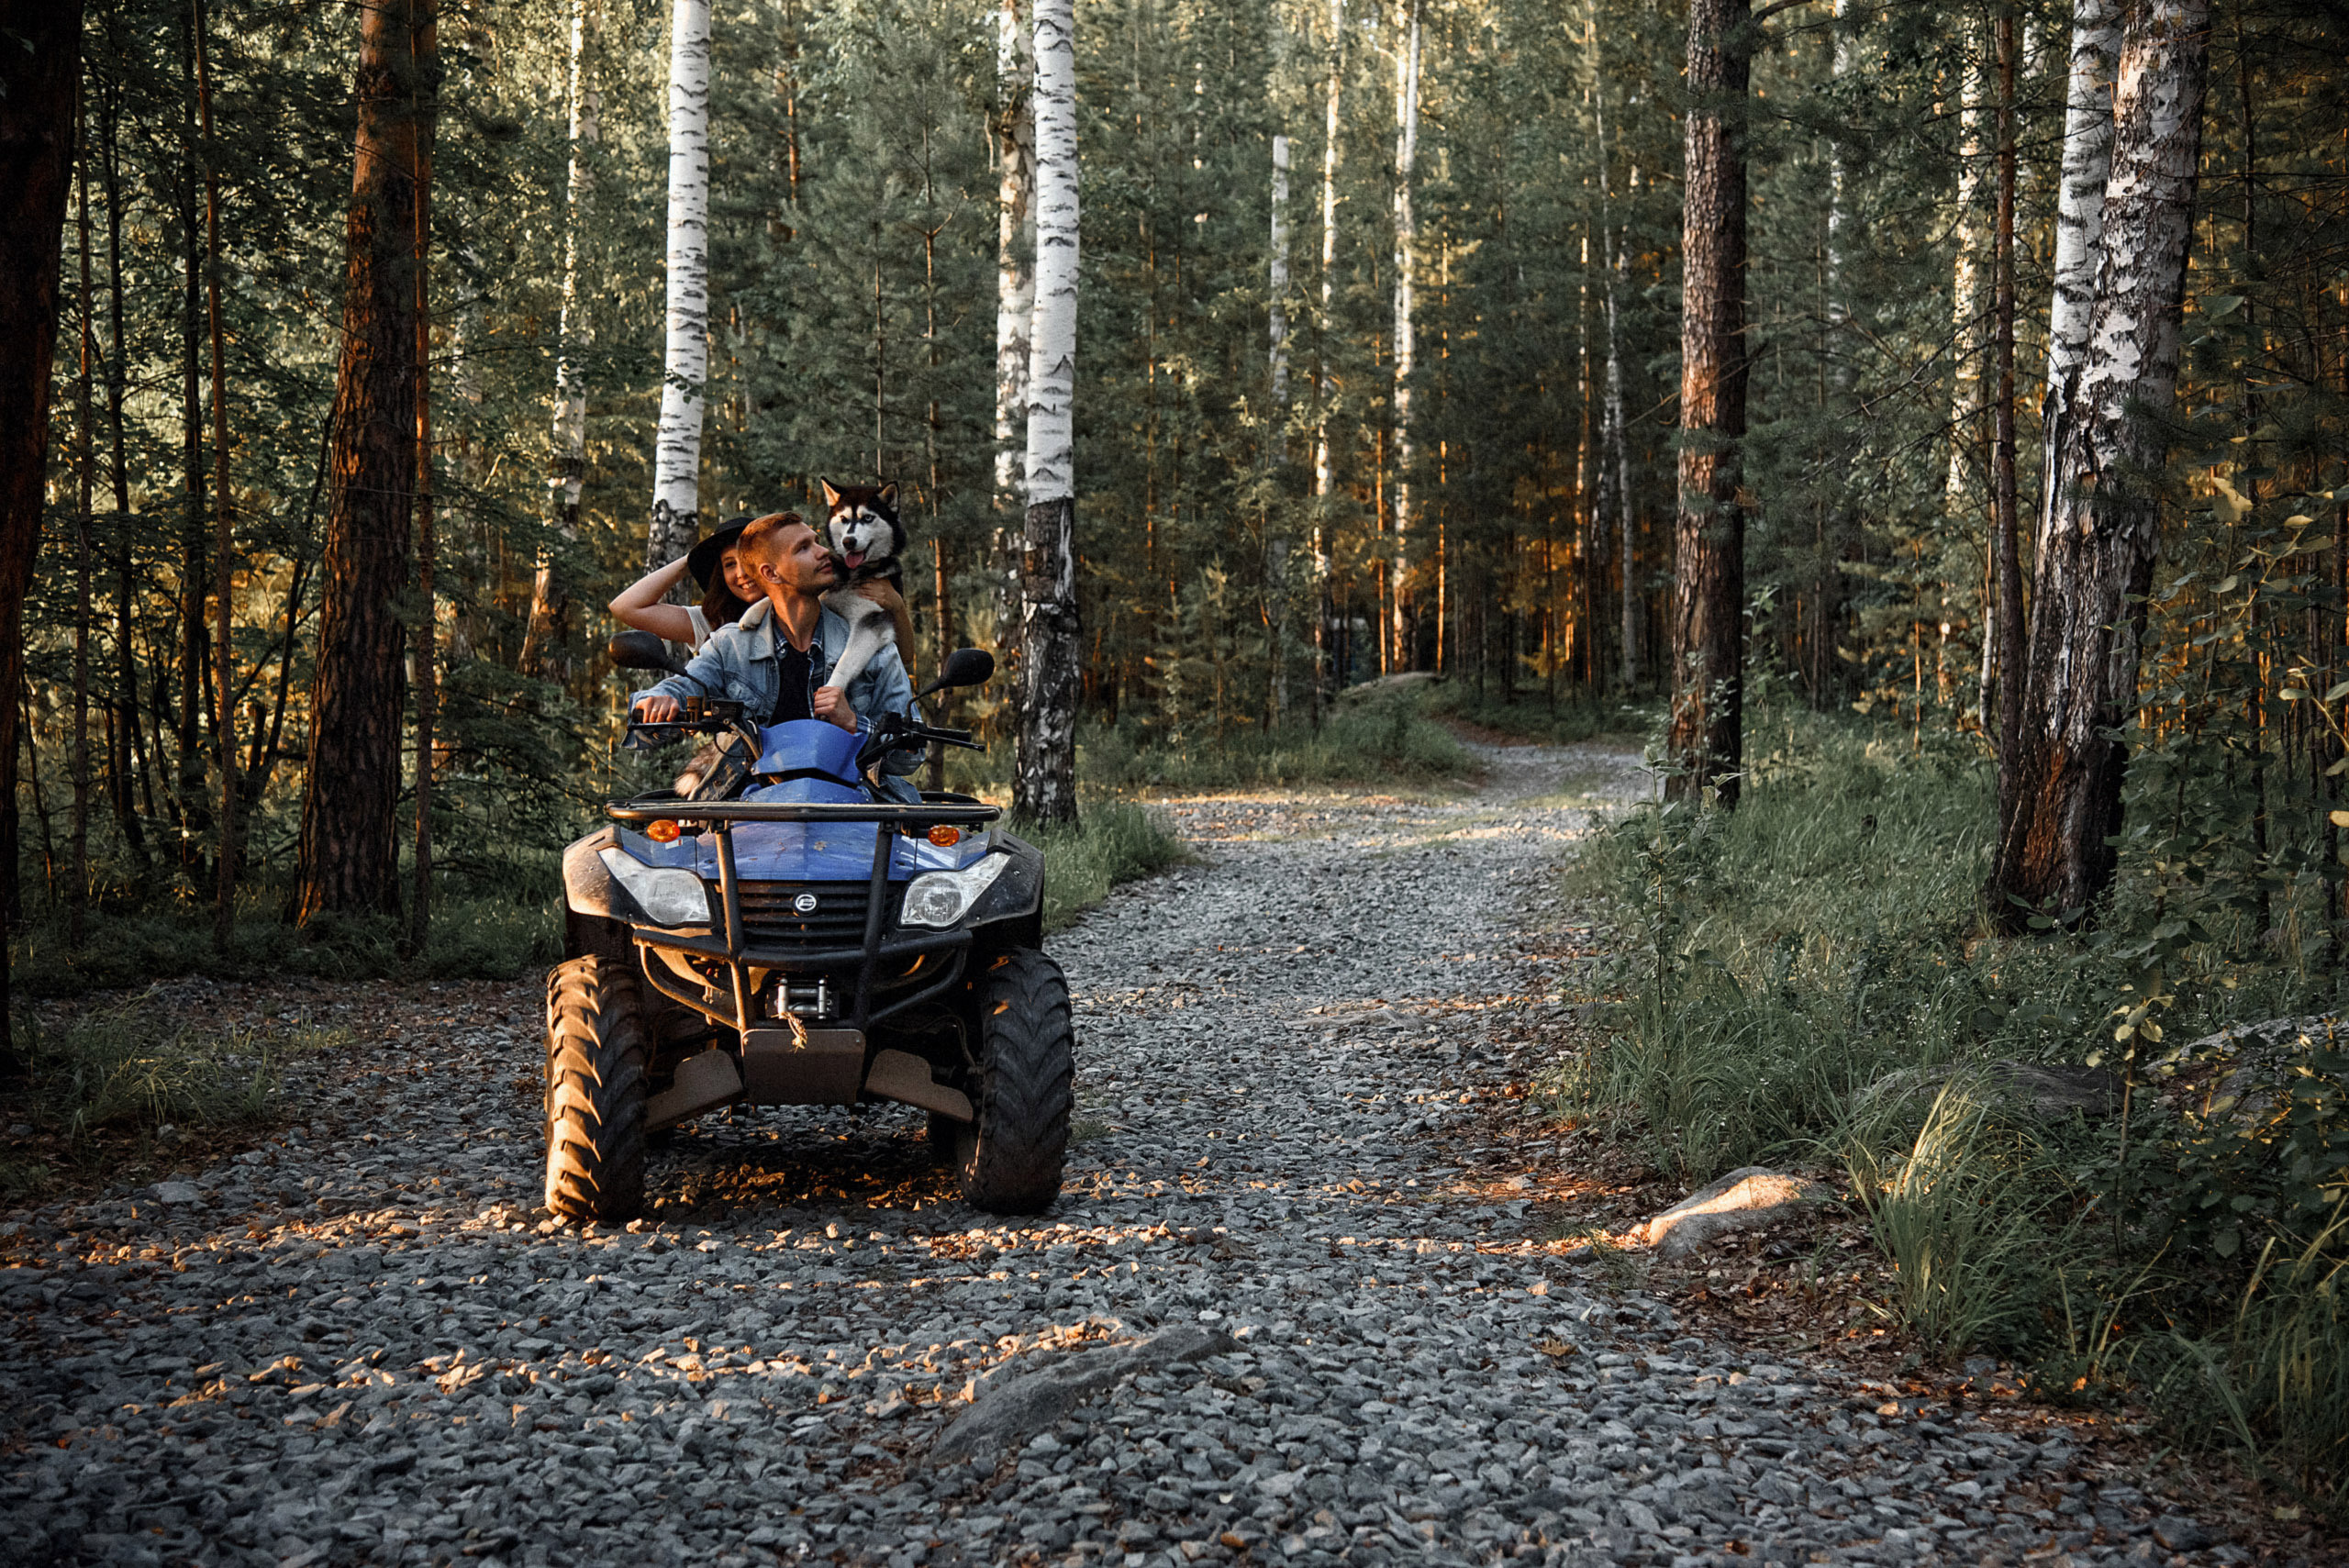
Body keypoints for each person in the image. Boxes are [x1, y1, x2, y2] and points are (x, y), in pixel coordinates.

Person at [629, 512, 922, 794]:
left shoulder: (872, 645)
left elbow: (913, 752)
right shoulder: (728, 644)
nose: (823, 552)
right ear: (770, 573)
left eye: (817, 542)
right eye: (804, 548)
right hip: (749, 810)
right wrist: (656, 701)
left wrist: (854, 723)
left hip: (856, 810)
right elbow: (683, 687)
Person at [608, 516, 758, 652]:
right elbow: (625, 607)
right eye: (730, 564)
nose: (741, 573)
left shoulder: (781, 613)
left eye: (748, 559)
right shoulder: (714, 621)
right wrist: (692, 559)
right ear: (721, 575)